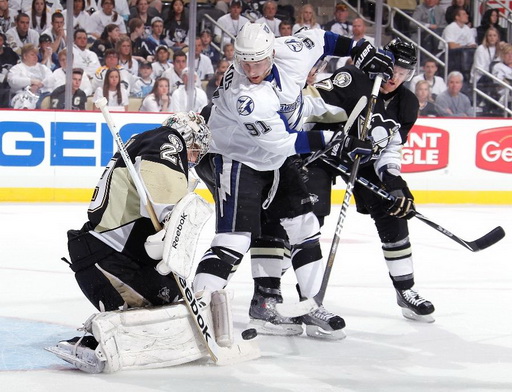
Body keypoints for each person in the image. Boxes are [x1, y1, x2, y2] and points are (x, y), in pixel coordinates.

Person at [191, 22, 394, 339]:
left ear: (272, 51)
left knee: (305, 226)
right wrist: (338, 142)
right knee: (236, 239)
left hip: (274, 159)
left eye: (257, 61)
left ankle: (310, 305)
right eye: (244, 61)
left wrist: (359, 49)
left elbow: (321, 39)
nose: (251, 69)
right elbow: (283, 142)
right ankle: (197, 310)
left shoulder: (291, 52)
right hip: (237, 157)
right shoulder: (245, 95)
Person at [249, 39, 437, 333]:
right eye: (392, 69)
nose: (395, 77)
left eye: (403, 72)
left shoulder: (408, 104)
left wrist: (394, 181)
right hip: (321, 156)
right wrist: (331, 142)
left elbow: (389, 148)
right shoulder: (352, 78)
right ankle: (297, 300)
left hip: (362, 160)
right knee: (304, 218)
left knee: (393, 207)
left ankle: (405, 290)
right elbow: (308, 112)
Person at [47, 112, 220, 374]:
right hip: (108, 257)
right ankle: (96, 340)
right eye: (195, 148)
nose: (194, 158)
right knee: (171, 300)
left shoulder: (145, 138)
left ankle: (109, 332)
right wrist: (170, 227)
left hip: (103, 251)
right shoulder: (168, 139)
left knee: (170, 295)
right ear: (188, 136)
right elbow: (167, 208)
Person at [7, 43, 54, 109]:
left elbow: (52, 79)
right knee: (24, 101)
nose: (35, 57)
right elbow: (13, 81)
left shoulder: (43, 68)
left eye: (36, 55)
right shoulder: (16, 68)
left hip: (42, 95)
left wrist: (39, 85)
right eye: (32, 55)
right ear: (25, 56)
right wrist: (31, 81)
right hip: (22, 95)